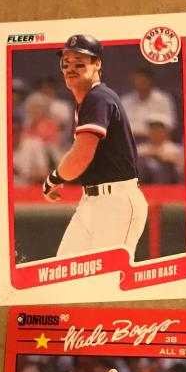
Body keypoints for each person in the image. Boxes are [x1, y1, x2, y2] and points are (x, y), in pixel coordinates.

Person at [41, 34, 148, 260]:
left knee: (107, 278)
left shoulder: (98, 97)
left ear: (97, 63)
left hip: (116, 204)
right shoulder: (89, 100)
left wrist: (53, 178)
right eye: (66, 62)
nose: (71, 68)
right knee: (64, 273)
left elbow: (80, 157)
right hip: (91, 202)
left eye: (79, 62)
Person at [120, 67, 177, 141]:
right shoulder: (125, 100)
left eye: (142, 80)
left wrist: (151, 133)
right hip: (130, 140)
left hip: (157, 141)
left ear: (150, 81)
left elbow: (170, 124)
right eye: (136, 80)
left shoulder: (163, 99)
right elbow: (121, 125)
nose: (139, 83)